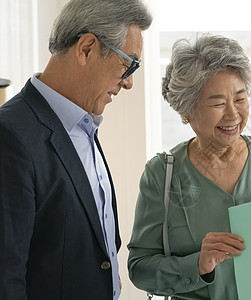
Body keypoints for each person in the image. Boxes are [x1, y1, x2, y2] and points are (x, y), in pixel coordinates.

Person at [127, 34, 251, 299]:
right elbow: (140, 268)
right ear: (187, 110)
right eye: (218, 103)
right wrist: (197, 264)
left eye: (240, 99)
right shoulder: (162, 173)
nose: (233, 115)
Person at [0, 1, 152, 299]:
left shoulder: (83, 124)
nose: (129, 82)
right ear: (86, 49)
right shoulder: (11, 135)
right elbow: (6, 276)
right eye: (129, 63)